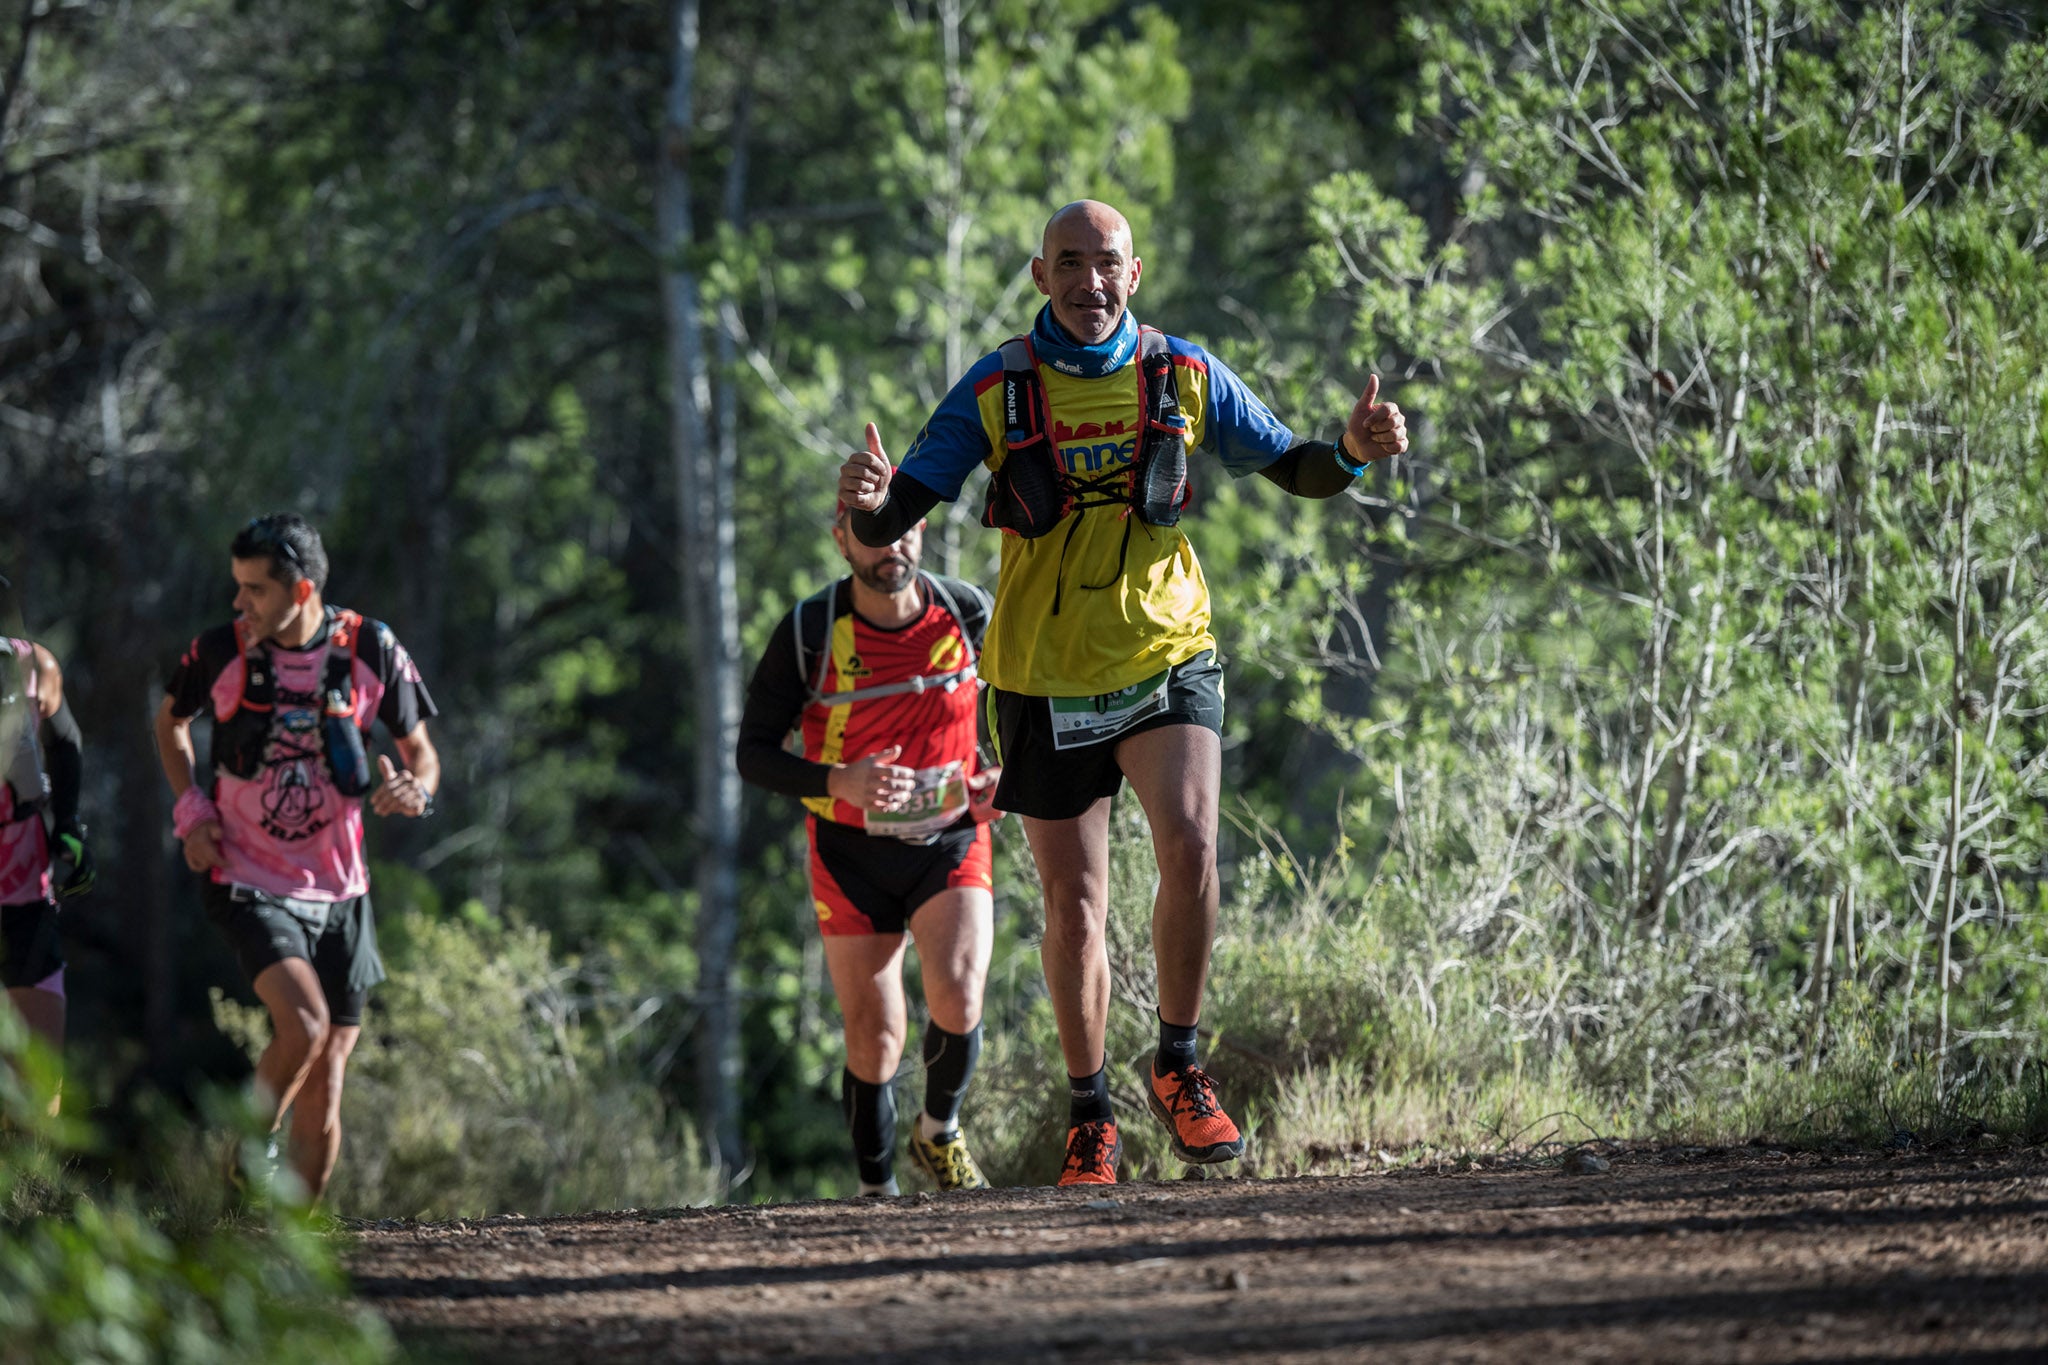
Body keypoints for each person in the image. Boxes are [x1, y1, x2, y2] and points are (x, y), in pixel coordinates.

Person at [839, 200, 1409, 1186]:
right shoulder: (995, 387)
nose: (1086, 282)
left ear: (1132, 274)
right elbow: (897, 510)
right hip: (1040, 673)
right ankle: (1088, 1113)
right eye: (1068, 263)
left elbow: (1298, 467)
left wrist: (1353, 450)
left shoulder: (1180, 374)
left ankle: (1179, 1064)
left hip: (1167, 651)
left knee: (1190, 841)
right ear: (1037, 274)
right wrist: (864, 499)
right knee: (1075, 904)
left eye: (1104, 264)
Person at [154, 514, 441, 1202]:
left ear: (302, 588)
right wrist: (191, 812)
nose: (239, 603)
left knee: (327, 1083)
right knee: (304, 1023)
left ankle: (294, 1261)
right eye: (238, 586)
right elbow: (169, 721)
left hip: (342, 892)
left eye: (254, 589)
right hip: (247, 877)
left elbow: (423, 754)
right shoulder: (220, 651)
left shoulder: (372, 647)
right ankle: (244, 1168)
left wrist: (415, 791)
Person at [736, 506, 1001, 1195]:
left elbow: (1026, 697)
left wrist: (1011, 771)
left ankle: (939, 1129)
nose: (893, 545)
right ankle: (875, 1189)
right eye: (873, 533)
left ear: (921, 530)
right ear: (841, 540)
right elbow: (753, 754)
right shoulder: (808, 632)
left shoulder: (968, 610)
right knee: (875, 1035)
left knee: (960, 988)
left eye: (904, 527)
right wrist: (837, 779)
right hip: (849, 849)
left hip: (949, 835)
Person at [1, 630, 93, 1099]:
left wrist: (70, 824)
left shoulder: (32, 665)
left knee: (39, 1092)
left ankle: (30, 1175)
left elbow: (64, 741)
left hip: (25, 900)